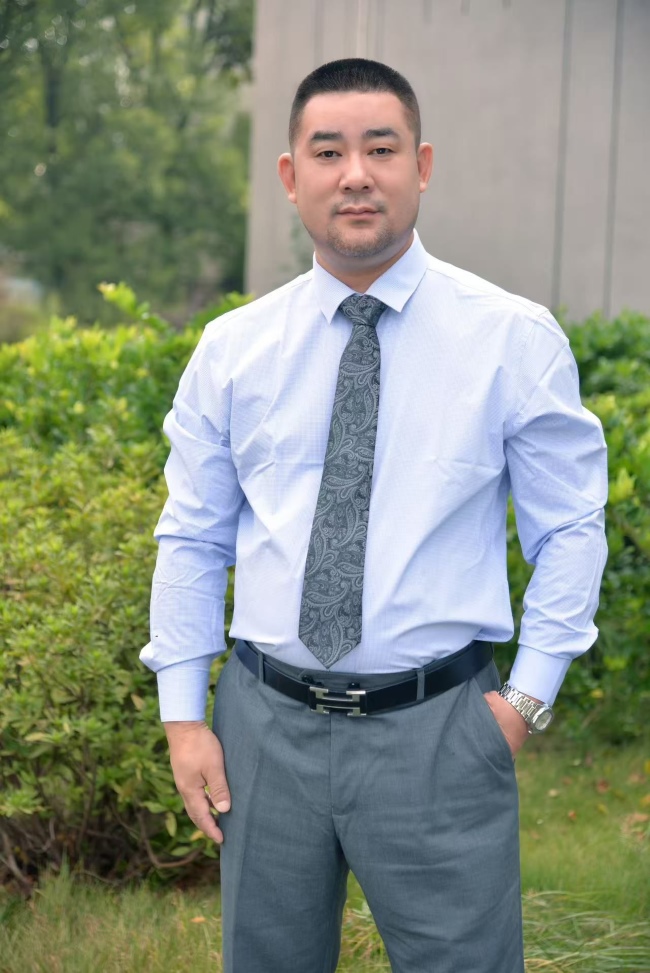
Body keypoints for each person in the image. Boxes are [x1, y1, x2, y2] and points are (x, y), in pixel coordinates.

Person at [140, 58, 608, 973]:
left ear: (421, 166)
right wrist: (184, 718)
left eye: (381, 149)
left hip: (439, 734)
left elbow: (570, 530)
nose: (356, 173)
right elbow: (191, 535)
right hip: (262, 732)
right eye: (329, 152)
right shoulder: (233, 350)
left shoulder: (511, 339)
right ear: (291, 176)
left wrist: (523, 702)